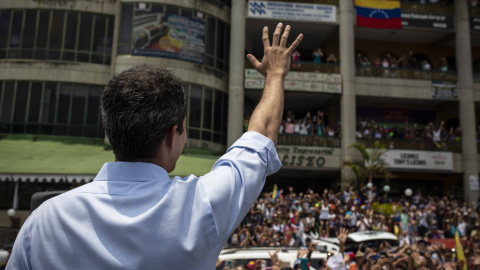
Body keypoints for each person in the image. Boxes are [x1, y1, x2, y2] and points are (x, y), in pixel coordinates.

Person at [6, 23, 303, 269]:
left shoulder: (43, 222)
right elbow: (261, 135)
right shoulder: (203, 207)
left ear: (110, 132)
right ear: (173, 135)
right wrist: (275, 75)